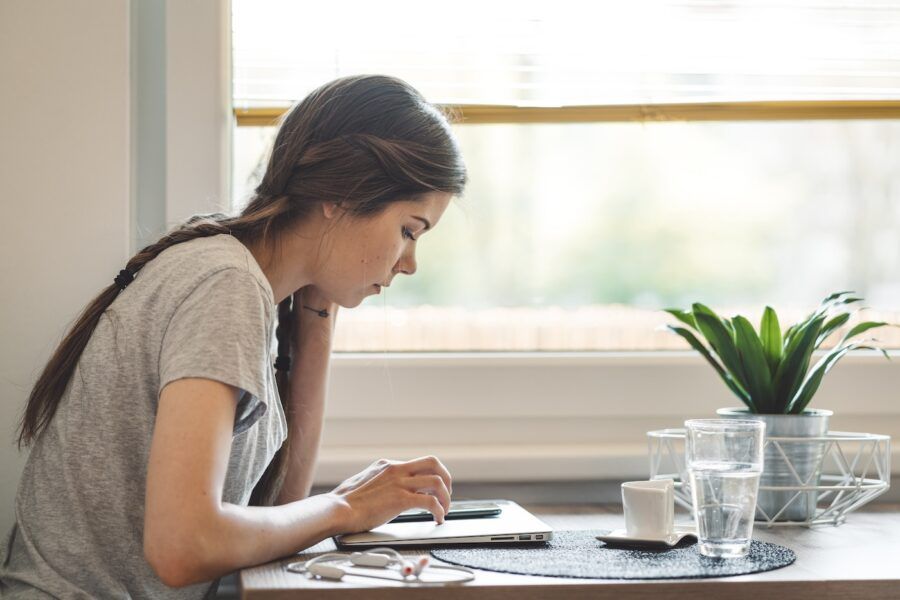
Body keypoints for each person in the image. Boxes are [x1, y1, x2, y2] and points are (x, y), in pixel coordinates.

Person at [0, 74, 467, 598]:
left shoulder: (248, 284)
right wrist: (348, 507)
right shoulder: (226, 285)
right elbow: (184, 546)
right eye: (409, 230)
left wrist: (317, 313)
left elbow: (279, 510)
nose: (410, 264)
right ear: (342, 194)